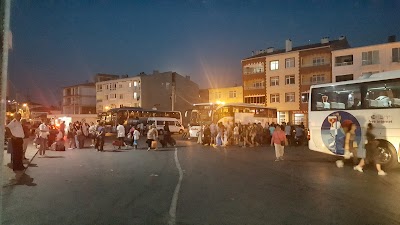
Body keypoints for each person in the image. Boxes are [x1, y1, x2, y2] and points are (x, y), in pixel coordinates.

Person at [6, 113, 26, 179]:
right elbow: (7, 127)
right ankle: (16, 167)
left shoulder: (18, 122)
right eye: (18, 116)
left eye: (20, 116)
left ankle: (20, 166)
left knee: (20, 153)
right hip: (16, 139)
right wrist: (11, 136)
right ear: (15, 116)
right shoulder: (14, 121)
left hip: (20, 139)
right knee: (16, 153)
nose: (19, 117)